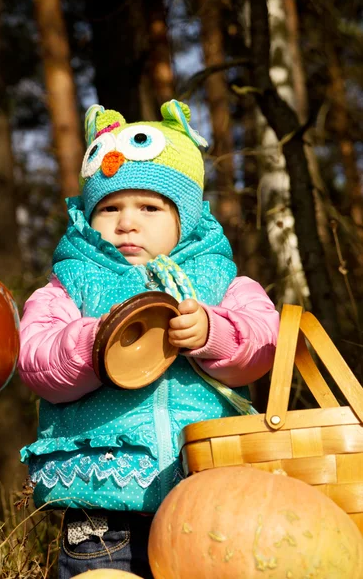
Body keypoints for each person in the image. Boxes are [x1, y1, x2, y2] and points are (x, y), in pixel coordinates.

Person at [18, 99, 279, 579]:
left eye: (149, 207)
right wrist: (96, 342)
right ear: (88, 216)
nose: (126, 222)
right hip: (103, 500)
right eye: (109, 207)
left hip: (206, 492)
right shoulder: (70, 286)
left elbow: (264, 344)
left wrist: (213, 333)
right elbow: (36, 361)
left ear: (185, 217)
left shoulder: (221, 282)